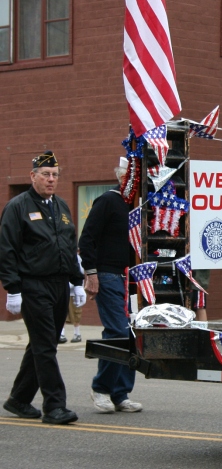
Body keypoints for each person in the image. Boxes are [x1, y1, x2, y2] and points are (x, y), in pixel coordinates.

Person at [0, 151, 83, 425]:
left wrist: (76, 281)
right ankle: (55, 406)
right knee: (47, 345)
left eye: (55, 175)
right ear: (32, 176)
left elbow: (69, 246)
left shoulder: (60, 206)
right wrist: (12, 289)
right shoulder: (18, 206)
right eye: (45, 175)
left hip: (59, 285)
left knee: (41, 344)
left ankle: (19, 399)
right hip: (33, 285)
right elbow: (7, 250)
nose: (50, 180)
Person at [79, 157, 142, 414]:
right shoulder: (107, 200)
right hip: (107, 275)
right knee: (117, 332)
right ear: (122, 177)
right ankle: (101, 388)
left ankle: (121, 393)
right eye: (133, 177)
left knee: (133, 335)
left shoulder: (138, 206)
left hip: (133, 279)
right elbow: (87, 238)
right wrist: (90, 272)